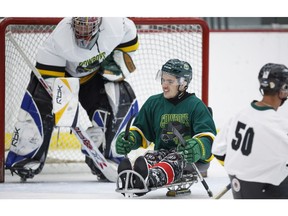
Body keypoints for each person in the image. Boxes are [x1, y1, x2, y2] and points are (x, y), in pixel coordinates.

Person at [5, 17, 139, 181]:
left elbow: (129, 41)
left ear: (98, 23)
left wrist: (116, 61)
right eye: (79, 25)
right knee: (39, 100)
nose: (83, 31)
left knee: (122, 96)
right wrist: (66, 108)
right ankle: (26, 156)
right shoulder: (59, 40)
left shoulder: (117, 25)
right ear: (73, 23)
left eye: (88, 26)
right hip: (62, 76)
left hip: (93, 77)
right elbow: (50, 82)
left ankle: (108, 153)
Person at [115, 59, 216, 194]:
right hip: (162, 152)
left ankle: (147, 180)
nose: (164, 85)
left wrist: (198, 147)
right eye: (163, 80)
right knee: (150, 157)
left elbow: (208, 137)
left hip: (188, 158)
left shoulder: (196, 106)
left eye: (170, 81)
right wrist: (131, 139)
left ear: (183, 83)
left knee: (175, 158)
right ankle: (133, 176)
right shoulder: (153, 103)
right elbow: (142, 131)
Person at [212, 63, 288, 199]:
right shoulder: (280, 126)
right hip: (269, 194)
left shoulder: (238, 115)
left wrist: (242, 170)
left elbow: (218, 150)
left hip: (240, 189)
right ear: (282, 89)